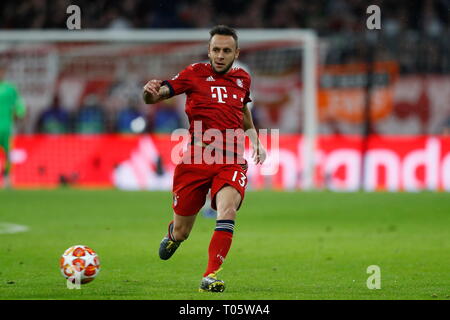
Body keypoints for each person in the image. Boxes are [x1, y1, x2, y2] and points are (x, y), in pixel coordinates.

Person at [142, 25, 266, 292]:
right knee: (183, 230)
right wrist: (149, 92)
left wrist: (255, 140)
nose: (220, 55)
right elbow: (157, 95)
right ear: (209, 50)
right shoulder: (193, 73)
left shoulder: (243, 78)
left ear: (236, 53)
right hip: (196, 159)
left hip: (232, 157)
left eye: (226, 51)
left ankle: (211, 275)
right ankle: (174, 235)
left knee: (228, 210)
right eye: (216, 50)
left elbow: (243, 112)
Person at [0, 62, 26, 188]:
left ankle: (7, 178)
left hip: (6, 128)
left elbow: (18, 104)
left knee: (9, 153)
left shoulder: (10, 89)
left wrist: (20, 113)